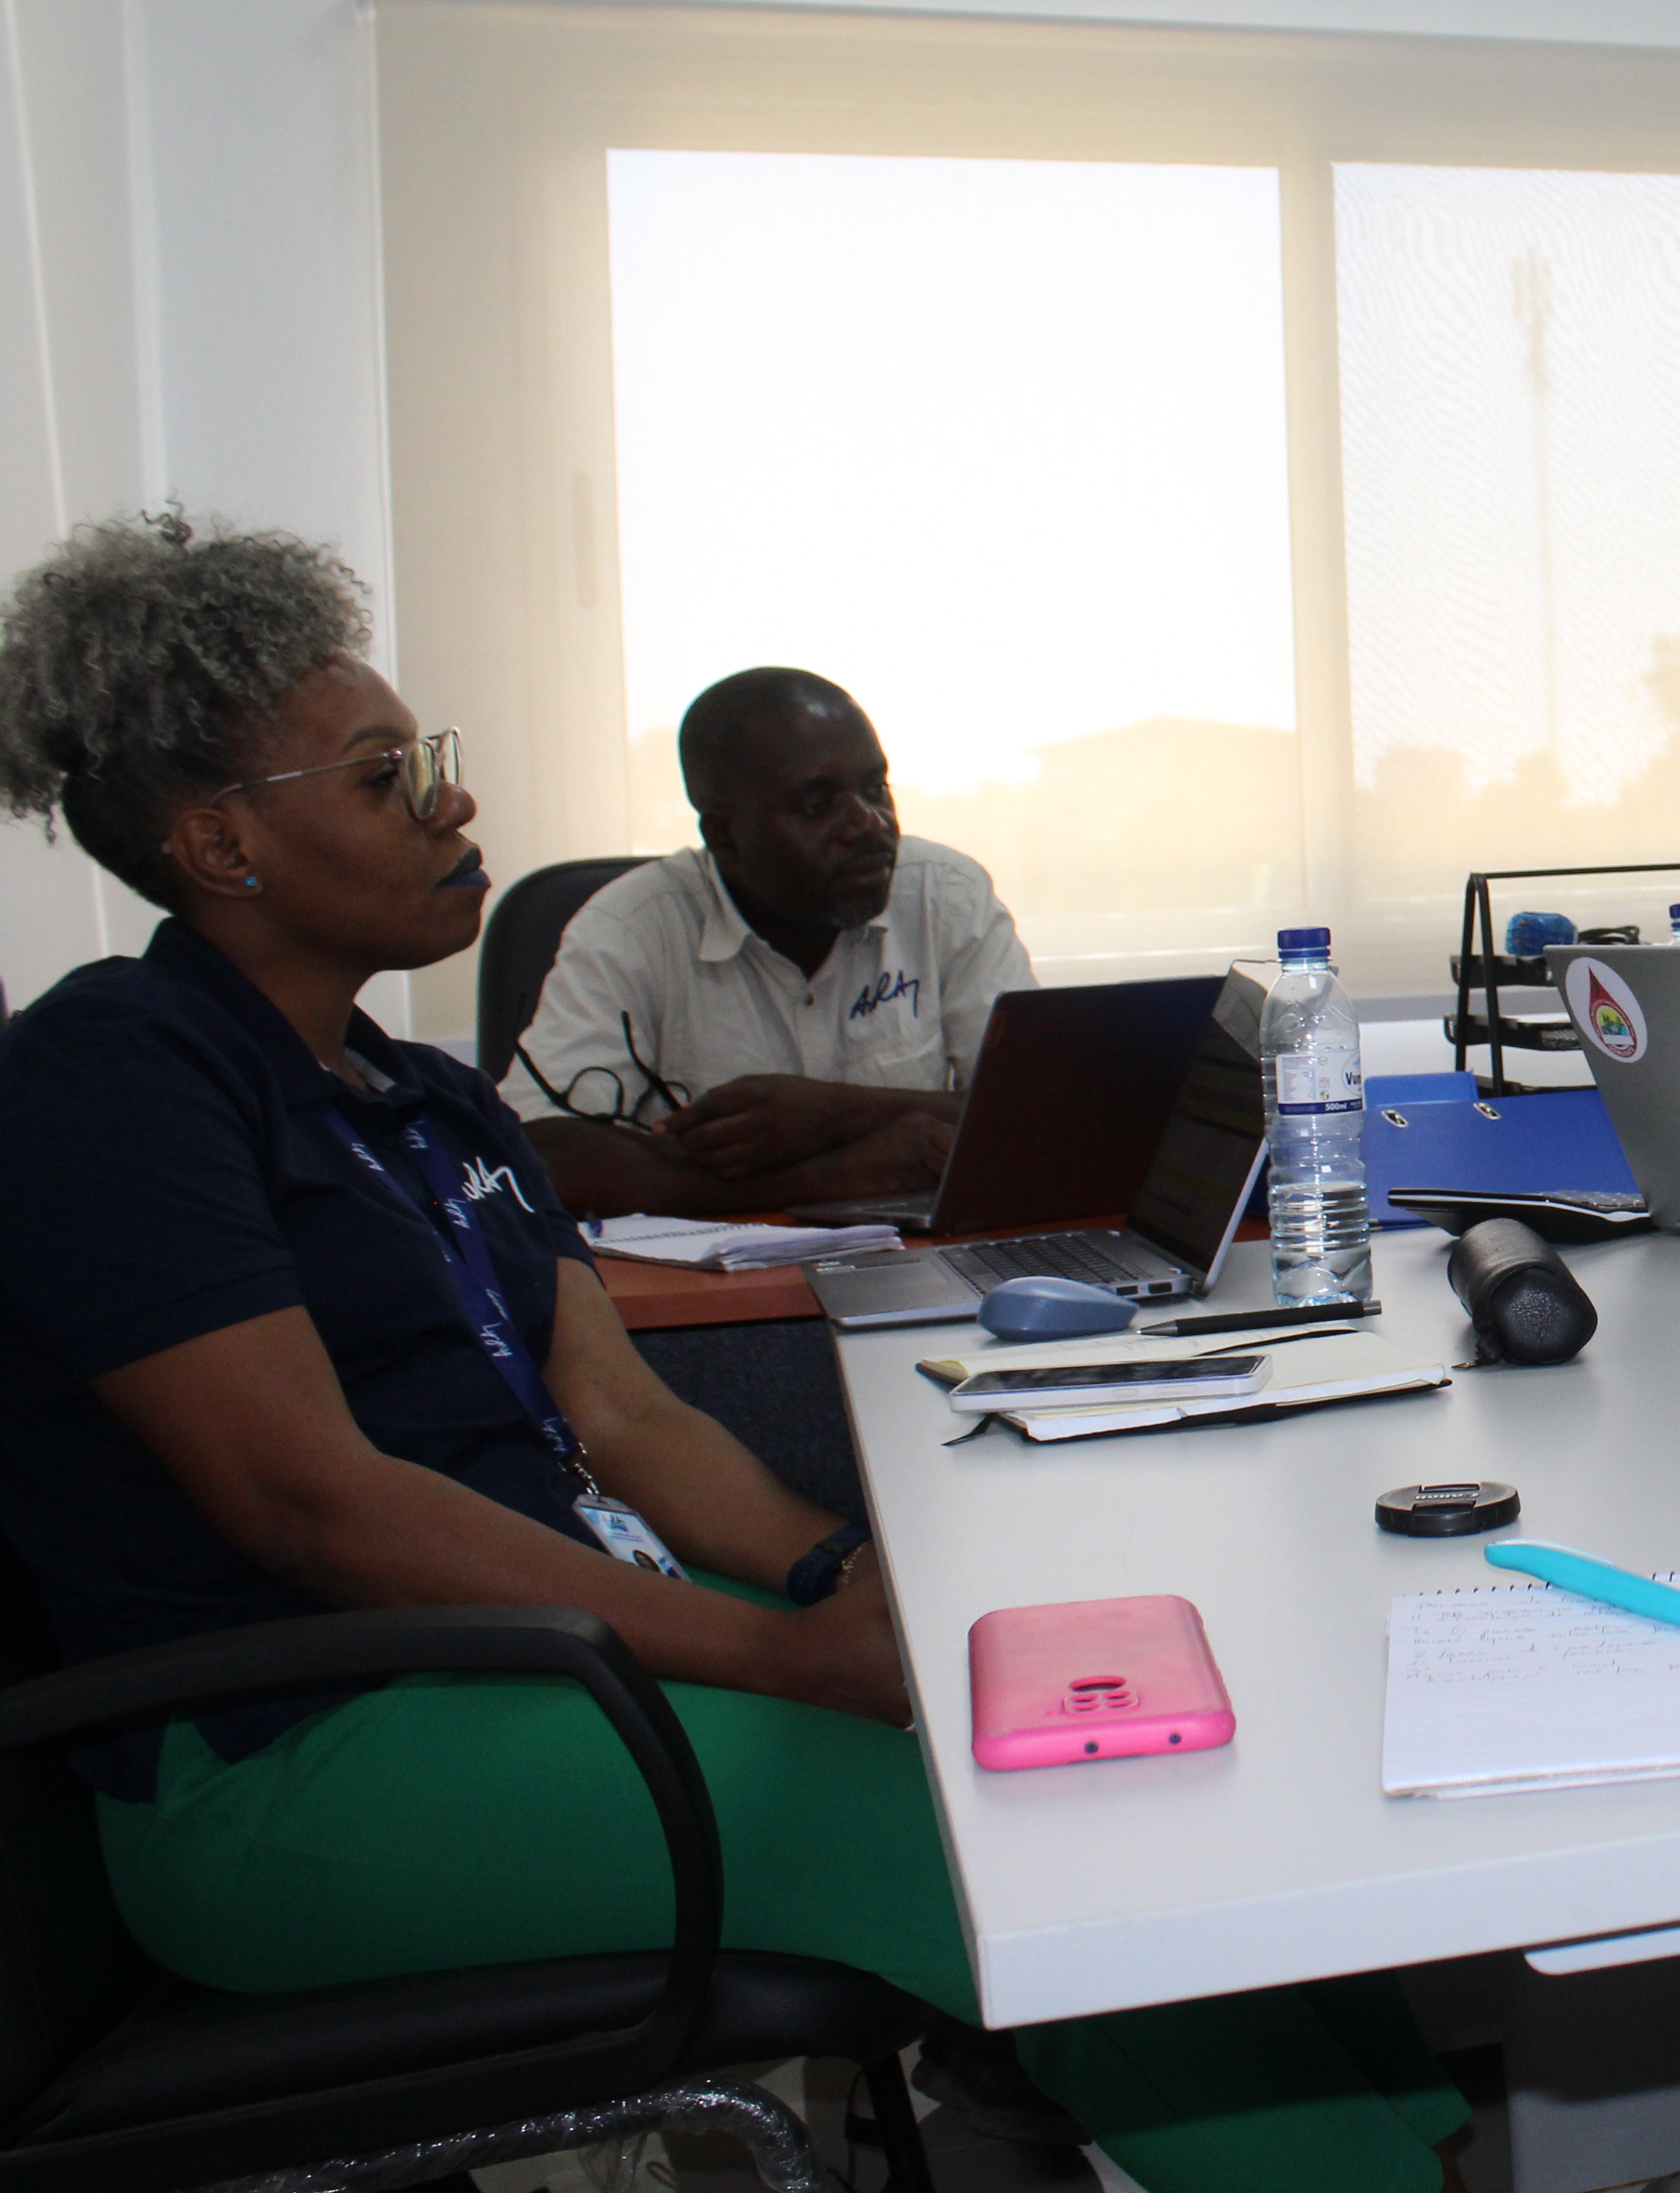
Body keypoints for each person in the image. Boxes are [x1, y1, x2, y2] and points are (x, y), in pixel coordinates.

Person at [0, 520, 1467, 2190]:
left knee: (1124, 1729)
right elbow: (309, 1500)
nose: (452, 807)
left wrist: (837, 1568)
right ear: (220, 840)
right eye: (388, 775)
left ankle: (1412, 2151)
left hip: (540, 1657)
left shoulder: (426, 1101)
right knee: (1030, 1835)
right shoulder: (114, 1074)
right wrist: (776, 1656)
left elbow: (618, 1410)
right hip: (295, 1752)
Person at [508, 665, 1032, 1218]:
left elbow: (1041, 1112)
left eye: (876, 789)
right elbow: (544, 1157)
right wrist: (834, 1178)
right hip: (712, 1286)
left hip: (924, 1266)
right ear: (723, 833)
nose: (869, 824)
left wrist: (842, 1112)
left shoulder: (944, 894)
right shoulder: (631, 927)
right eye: (817, 805)